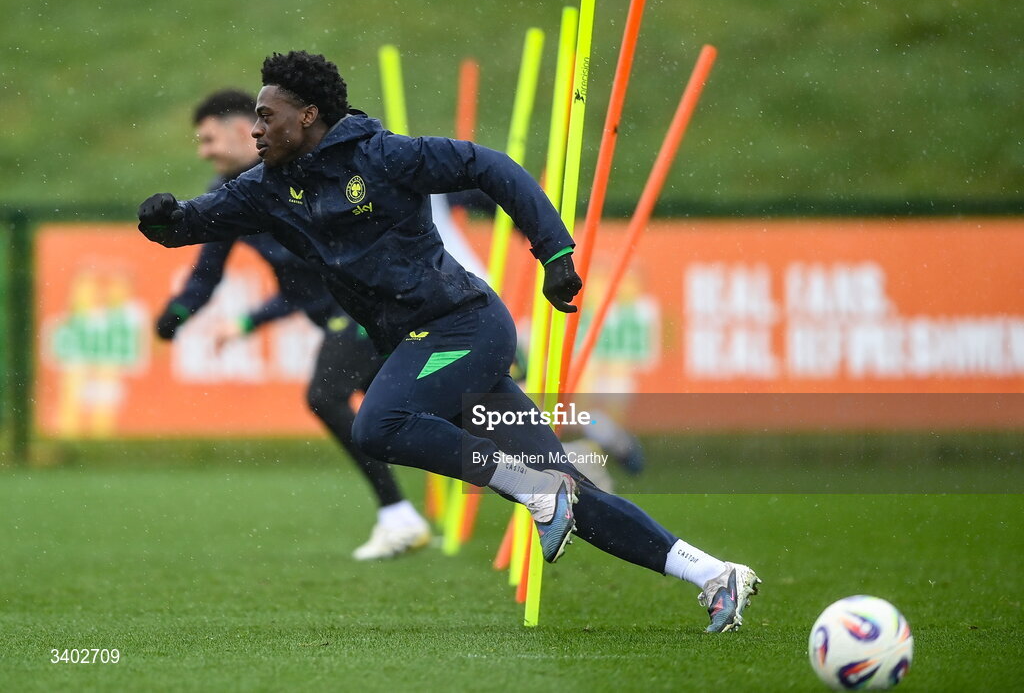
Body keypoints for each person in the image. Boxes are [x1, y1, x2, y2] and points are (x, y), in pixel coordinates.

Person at [138, 51, 760, 632]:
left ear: (308, 116)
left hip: (465, 326)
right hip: (421, 339)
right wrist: (162, 219)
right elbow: (192, 224)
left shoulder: (383, 156)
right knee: (574, 492)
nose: (256, 130)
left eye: (266, 117)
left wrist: (556, 253)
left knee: (378, 425)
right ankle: (715, 575)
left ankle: (538, 494)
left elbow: (490, 168)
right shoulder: (267, 188)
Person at [154, 88, 430, 560]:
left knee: (325, 394)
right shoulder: (229, 197)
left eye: (208, 140)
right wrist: (174, 316)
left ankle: (399, 515)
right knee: (434, 408)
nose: (203, 152)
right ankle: (548, 460)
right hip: (345, 316)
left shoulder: (301, 170)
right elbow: (207, 277)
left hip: (369, 304)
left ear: (242, 129)